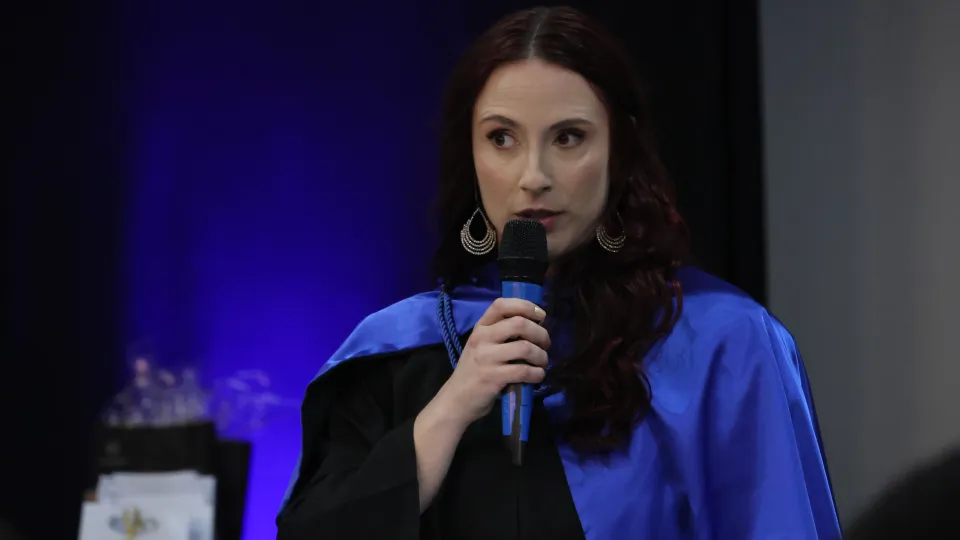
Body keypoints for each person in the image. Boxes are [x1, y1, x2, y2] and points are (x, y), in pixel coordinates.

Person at [276, 6, 841, 539]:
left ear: (619, 149)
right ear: (469, 157)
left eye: (568, 137)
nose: (534, 175)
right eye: (502, 138)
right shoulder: (396, 354)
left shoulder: (725, 344)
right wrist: (453, 405)